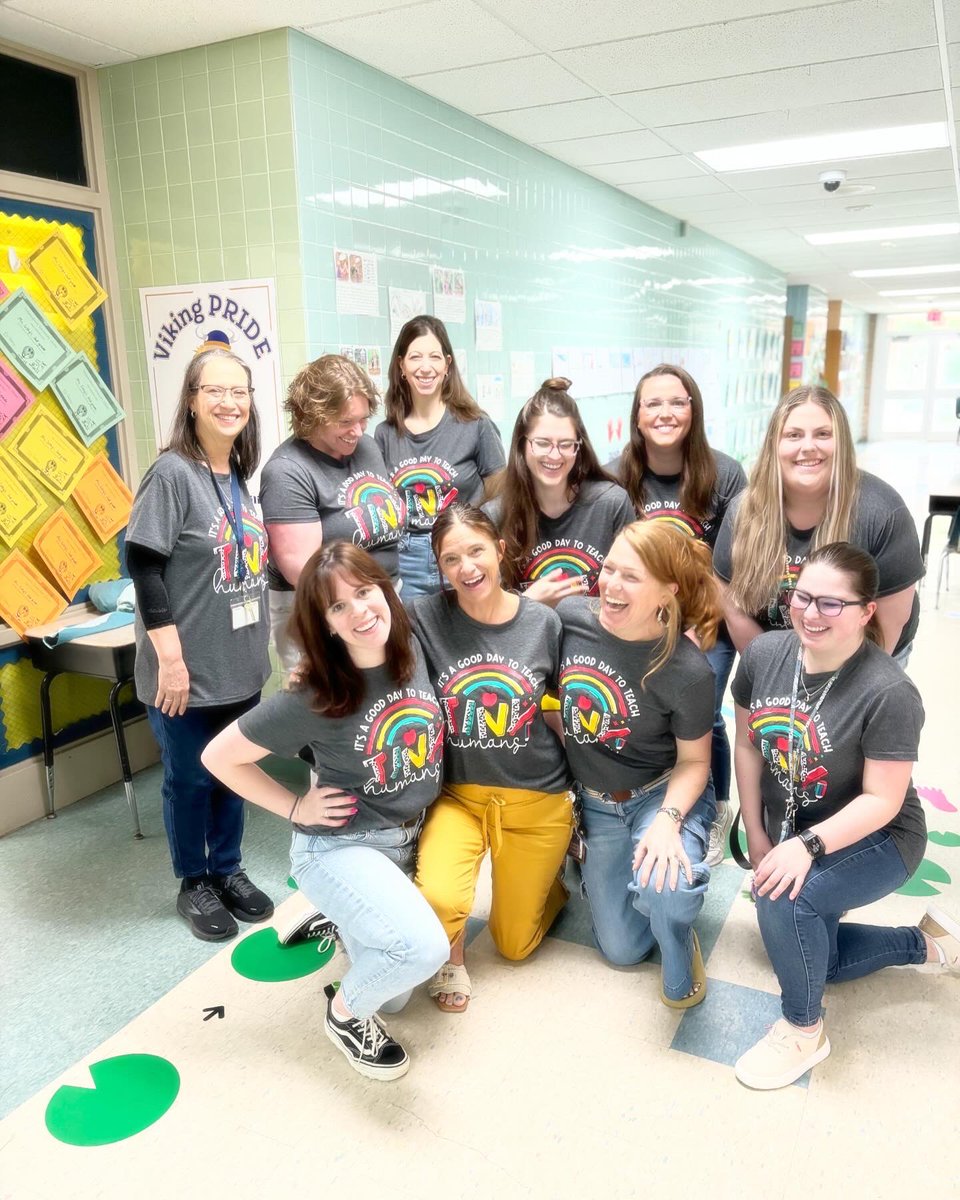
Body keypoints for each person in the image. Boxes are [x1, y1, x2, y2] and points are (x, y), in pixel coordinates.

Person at [201, 543, 449, 1081]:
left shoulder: (413, 647)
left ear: (386, 589)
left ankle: (342, 915)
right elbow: (217, 758)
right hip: (340, 845)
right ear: (325, 624)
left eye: (365, 592)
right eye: (339, 607)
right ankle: (342, 1016)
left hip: (405, 839)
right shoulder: (312, 695)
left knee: (399, 997)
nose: (360, 611)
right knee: (419, 950)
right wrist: (295, 804)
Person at [731, 542, 958, 1090]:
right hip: (797, 824)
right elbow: (746, 744)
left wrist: (802, 849)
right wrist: (757, 830)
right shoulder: (765, 655)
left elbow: (881, 800)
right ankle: (930, 946)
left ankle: (804, 1031)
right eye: (803, 596)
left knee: (785, 899)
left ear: (866, 611)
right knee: (815, 961)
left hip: (880, 836)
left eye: (832, 604)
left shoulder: (888, 692)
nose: (811, 613)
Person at [126, 348, 272, 941]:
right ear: (191, 399)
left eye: (240, 391)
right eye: (215, 390)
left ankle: (228, 869)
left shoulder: (236, 475)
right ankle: (195, 883)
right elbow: (144, 564)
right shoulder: (172, 474)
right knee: (189, 779)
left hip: (238, 667)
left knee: (232, 772)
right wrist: (171, 660)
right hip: (183, 670)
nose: (229, 402)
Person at [409, 504, 573, 1011]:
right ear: (439, 566)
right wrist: (309, 670)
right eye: (451, 558)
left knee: (513, 946)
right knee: (439, 899)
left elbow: (567, 701)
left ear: (500, 550)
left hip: (536, 799)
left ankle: (554, 888)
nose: (467, 567)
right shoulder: (422, 617)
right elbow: (360, 632)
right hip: (458, 796)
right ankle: (451, 958)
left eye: (476, 550)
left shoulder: (545, 622)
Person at [557, 521, 721, 1008]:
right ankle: (606, 871)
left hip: (659, 794)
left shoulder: (687, 670)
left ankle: (677, 932)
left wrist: (668, 824)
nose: (610, 585)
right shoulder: (571, 618)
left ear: (667, 592)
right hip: (597, 804)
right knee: (623, 950)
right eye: (608, 569)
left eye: (630, 577)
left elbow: (695, 762)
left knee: (666, 888)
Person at [611, 363, 747, 867]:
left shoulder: (726, 473)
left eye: (677, 401)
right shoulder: (617, 475)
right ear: (638, 415)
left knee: (704, 713)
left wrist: (704, 618)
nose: (666, 412)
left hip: (707, 621)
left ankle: (712, 810)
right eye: (654, 403)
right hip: (642, 621)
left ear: (694, 409)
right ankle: (663, 802)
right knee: (651, 714)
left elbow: (736, 562)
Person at [714, 385, 922, 662]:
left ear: (842, 443)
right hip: (775, 655)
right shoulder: (744, 511)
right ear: (774, 445)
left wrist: (838, 689)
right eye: (793, 435)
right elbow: (732, 605)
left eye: (823, 434)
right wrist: (770, 671)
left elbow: (889, 623)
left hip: (865, 657)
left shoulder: (881, 511)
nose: (808, 446)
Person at [260, 354, 404, 678]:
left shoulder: (365, 447)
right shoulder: (287, 471)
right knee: (335, 706)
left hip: (380, 599)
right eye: (345, 422)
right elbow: (306, 572)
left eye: (363, 418)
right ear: (313, 416)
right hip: (324, 611)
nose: (357, 430)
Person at [375, 315, 505, 596]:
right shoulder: (384, 434)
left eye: (435, 357)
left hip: (464, 557)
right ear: (401, 366)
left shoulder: (476, 425)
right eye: (415, 357)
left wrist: (476, 543)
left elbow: (501, 496)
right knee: (414, 639)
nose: (425, 367)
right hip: (407, 562)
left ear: (447, 365)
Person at [483, 378, 634, 606]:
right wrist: (527, 602)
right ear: (522, 446)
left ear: (579, 448)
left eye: (566, 444)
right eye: (543, 443)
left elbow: (634, 589)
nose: (555, 455)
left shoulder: (611, 504)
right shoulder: (494, 515)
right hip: (530, 639)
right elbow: (485, 610)